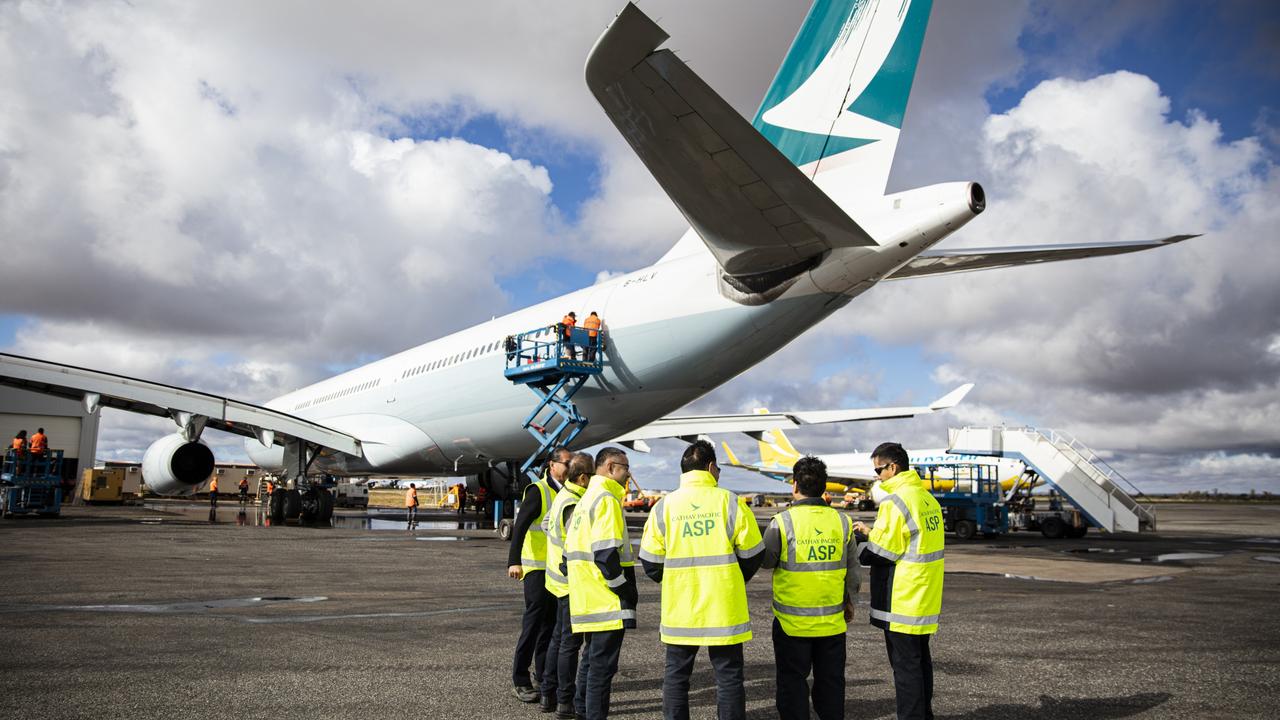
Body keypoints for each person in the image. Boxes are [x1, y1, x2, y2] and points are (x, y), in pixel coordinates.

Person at [639, 440, 763, 720]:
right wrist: (732, 578)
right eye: (718, 468)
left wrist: (674, 581)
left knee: (676, 676)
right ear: (710, 468)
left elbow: (650, 560)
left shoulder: (664, 506)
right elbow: (754, 553)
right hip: (724, 606)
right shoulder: (730, 502)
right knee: (729, 677)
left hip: (681, 604)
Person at [763, 456, 860, 720]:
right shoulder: (842, 522)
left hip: (791, 623)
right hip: (831, 621)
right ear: (824, 486)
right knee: (831, 683)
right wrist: (849, 601)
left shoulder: (782, 522)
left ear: (795, 485)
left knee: (792, 682)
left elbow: (767, 561)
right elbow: (853, 570)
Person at [852, 442, 944, 720]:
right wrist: (872, 532)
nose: (877, 476)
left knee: (905, 668)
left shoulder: (895, 501)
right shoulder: (926, 498)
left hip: (902, 596)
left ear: (893, 467)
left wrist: (856, 548)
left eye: (879, 470)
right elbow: (908, 540)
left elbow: (883, 553)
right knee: (920, 662)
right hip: (924, 595)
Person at [566, 447, 637, 720]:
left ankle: (583, 711)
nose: (628, 472)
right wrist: (624, 588)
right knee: (601, 670)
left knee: (590, 662)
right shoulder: (606, 499)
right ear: (609, 467)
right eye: (624, 466)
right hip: (605, 598)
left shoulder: (585, 500)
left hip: (586, 597)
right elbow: (606, 556)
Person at [508, 448, 572, 704]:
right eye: (566, 463)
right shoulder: (538, 491)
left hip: (556, 569)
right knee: (533, 625)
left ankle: (544, 676)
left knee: (551, 625)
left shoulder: (567, 492)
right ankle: (520, 679)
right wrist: (513, 561)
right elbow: (520, 526)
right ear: (552, 465)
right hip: (534, 567)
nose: (570, 467)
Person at [541, 452, 594, 719]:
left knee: (558, 640)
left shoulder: (562, 496)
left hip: (556, 581)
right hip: (570, 583)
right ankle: (564, 701)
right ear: (583, 478)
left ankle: (547, 694)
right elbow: (577, 543)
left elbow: (545, 524)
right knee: (569, 645)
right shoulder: (575, 503)